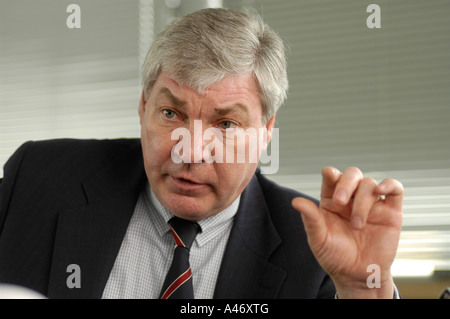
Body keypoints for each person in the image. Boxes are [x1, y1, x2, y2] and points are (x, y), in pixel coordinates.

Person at [0, 8, 403, 299]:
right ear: (143, 106)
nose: (190, 152)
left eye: (225, 124)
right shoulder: (38, 179)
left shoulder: (316, 249)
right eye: (171, 113)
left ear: (265, 131)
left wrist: (361, 288)